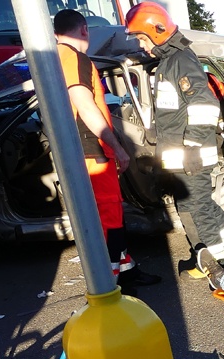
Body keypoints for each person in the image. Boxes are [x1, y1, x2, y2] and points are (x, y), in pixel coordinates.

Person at [125, 1, 224, 269]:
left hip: (193, 154)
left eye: (142, 39)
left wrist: (191, 146)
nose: (142, 46)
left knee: (198, 209)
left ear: (156, 31)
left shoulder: (180, 60)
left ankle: (216, 265)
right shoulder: (169, 61)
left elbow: (204, 104)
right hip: (181, 155)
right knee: (202, 205)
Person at [53, 9, 161, 294]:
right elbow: (84, 104)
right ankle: (110, 287)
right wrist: (117, 147)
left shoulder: (55, 58)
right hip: (93, 151)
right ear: (85, 30)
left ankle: (127, 271)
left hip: (84, 150)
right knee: (109, 217)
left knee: (110, 216)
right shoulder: (75, 58)